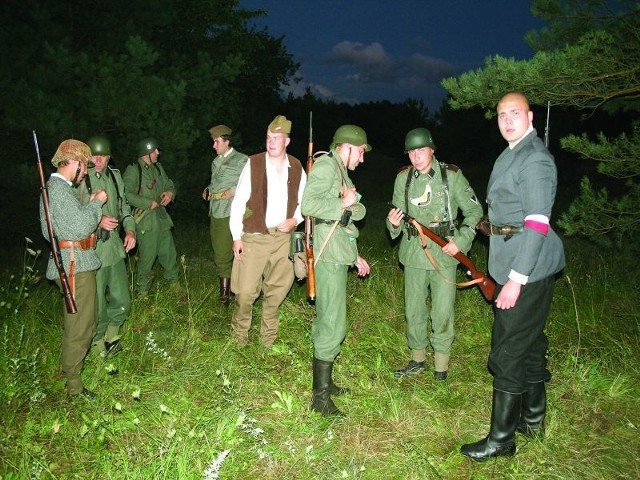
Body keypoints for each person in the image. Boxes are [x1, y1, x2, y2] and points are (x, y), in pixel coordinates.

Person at [460, 92, 565, 461]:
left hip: (528, 266)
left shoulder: (534, 158)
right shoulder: (512, 152)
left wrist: (516, 279)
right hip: (514, 255)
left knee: (507, 350)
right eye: (502, 114)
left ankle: (501, 440)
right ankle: (533, 421)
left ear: (530, 117)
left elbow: (536, 224)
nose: (507, 120)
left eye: (514, 113)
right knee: (531, 343)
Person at [387, 128, 483, 381]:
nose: (416, 156)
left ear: (432, 149)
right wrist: (394, 224)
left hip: (444, 254)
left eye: (421, 150)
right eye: (411, 152)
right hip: (412, 254)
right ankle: (417, 360)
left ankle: (441, 366)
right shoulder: (403, 179)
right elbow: (394, 219)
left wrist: (460, 241)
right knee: (414, 310)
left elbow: (474, 213)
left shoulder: (451, 176)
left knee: (442, 311)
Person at [301, 124, 372, 416]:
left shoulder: (340, 171)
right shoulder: (327, 166)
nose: (362, 159)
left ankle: (326, 385)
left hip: (336, 251)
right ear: (347, 146)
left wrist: (354, 256)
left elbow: (343, 220)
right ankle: (320, 400)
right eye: (361, 152)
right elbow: (309, 204)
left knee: (330, 320)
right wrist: (344, 202)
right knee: (333, 325)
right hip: (327, 256)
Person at [229, 115, 306, 348]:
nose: (271, 142)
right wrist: (235, 237)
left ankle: (267, 341)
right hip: (254, 237)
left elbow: (306, 202)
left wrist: (295, 219)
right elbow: (238, 202)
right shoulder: (253, 163)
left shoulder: (297, 167)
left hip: (283, 239)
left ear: (287, 141)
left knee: (277, 292)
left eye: (276, 138)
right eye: (268, 138)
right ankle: (239, 337)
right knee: (244, 293)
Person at [39, 139, 107, 397]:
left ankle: (72, 372)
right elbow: (79, 228)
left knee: (83, 322)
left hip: (74, 262)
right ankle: (74, 387)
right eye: (85, 165)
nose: (88, 171)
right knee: (80, 327)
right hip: (74, 265)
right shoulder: (58, 190)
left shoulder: (57, 190)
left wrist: (87, 206)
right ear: (75, 163)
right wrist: (96, 203)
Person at [78, 136, 136, 358]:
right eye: (95, 155)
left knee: (122, 298)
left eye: (103, 155)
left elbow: (124, 207)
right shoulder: (81, 180)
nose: (99, 160)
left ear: (109, 156)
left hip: (114, 247)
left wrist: (129, 230)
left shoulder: (114, 176)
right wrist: (98, 219)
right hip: (93, 250)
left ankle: (112, 335)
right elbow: (75, 214)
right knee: (98, 303)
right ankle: (96, 341)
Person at [123, 138, 180, 296]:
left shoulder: (159, 168)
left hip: (162, 218)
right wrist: (148, 203)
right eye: (155, 150)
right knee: (147, 258)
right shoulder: (134, 170)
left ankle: (174, 283)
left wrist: (170, 193)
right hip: (145, 222)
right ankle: (142, 291)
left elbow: (169, 184)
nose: (158, 153)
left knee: (169, 253)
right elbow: (126, 194)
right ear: (146, 152)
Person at [202, 125, 248, 304]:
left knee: (241, 251)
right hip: (217, 211)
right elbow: (215, 184)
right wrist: (207, 190)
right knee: (220, 253)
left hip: (235, 211)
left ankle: (243, 289)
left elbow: (252, 181)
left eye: (216, 142)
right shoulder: (216, 162)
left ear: (227, 141)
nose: (214, 146)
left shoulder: (241, 160)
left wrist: (235, 190)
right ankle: (225, 293)